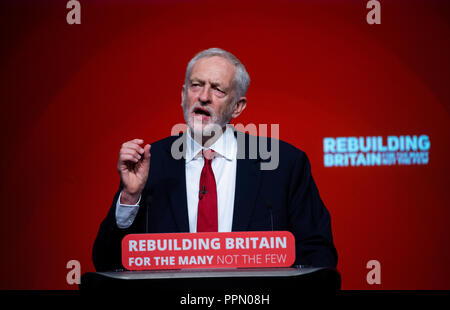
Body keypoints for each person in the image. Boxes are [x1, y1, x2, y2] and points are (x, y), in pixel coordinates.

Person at [93, 48, 337, 271]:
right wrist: (130, 197)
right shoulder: (148, 162)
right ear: (183, 95)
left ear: (237, 107)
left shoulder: (284, 164)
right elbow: (107, 262)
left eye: (218, 89)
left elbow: (318, 256)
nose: (204, 97)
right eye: (196, 85)